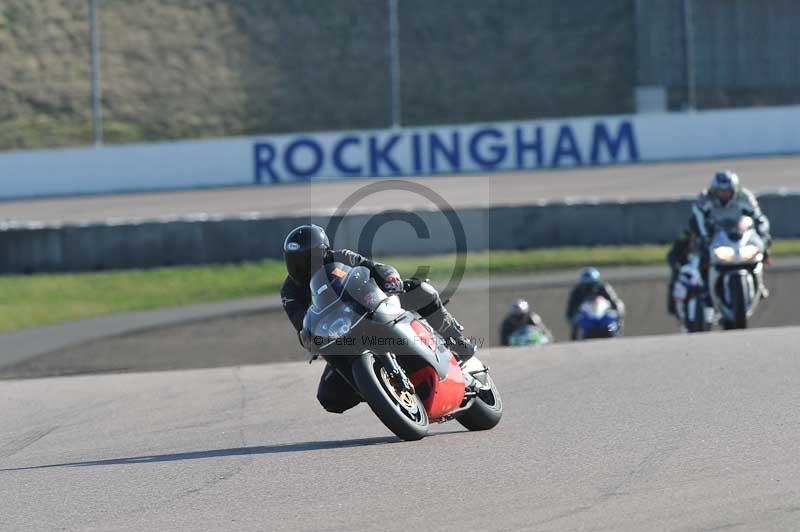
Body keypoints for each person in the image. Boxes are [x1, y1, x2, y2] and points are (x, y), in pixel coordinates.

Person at [280, 224, 477, 414]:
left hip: (371, 308)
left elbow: (374, 268)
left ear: (323, 252)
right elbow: (301, 323)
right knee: (329, 397)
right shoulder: (289, 291)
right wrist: (308, 337)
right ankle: (380, 391)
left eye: (308, 259)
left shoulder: (341, 257)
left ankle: (455, 339)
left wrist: (389, 277)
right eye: (295, 260)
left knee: (419, 290)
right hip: (340, 335)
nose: (301, 267)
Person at [689, 170, 771, 259]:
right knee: (688, 243)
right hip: (716, 238)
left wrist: (763, 237)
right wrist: (704, 238)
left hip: (739, 239)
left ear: (734, 190)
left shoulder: (744, 197)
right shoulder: (705, 198)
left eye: (727, 191)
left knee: (759, 252)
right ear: (714, 190)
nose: (724, 194)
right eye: (721, 191)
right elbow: (698, 220)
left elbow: (759, 218)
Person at [564, 267, 625, 340]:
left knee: (612, 322)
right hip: (587, 317)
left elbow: (616, 302)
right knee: (578, 322)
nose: (589, 287)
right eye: (586, 285)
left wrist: (618, 317)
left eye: (591, 284)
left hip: (602, 316)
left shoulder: (604, 288)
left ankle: (615, 335)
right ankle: (576, 340)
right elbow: (570, 309)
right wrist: (572, 320)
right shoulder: (577, 292)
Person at [666, 226, 695, 315]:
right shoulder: (685, 235)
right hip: (684, 265)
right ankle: (673, 305)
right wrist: (676, 265)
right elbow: (673, 254)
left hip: (699, 264)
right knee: (676, 276)